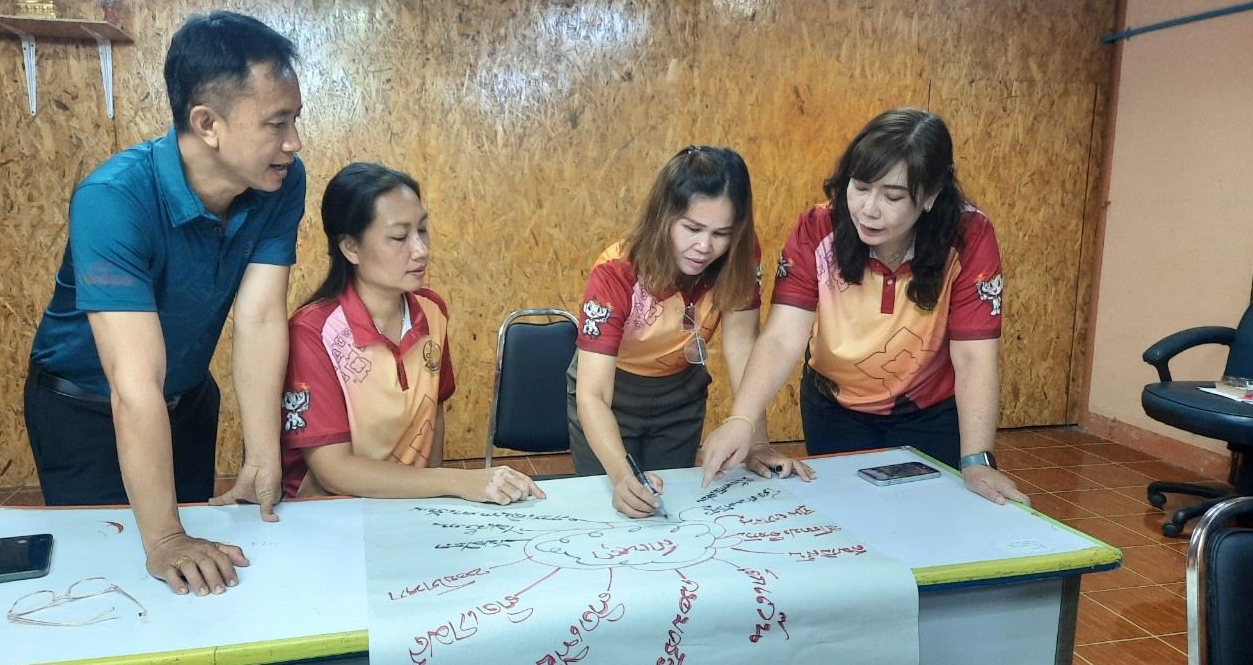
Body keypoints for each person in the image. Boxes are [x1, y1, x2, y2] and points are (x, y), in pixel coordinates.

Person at [24, 11, 305, 596]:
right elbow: (133, 383)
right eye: (277, 124)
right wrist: (164, 539)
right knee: (110, 575)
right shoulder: (114, 199)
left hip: (185, 400)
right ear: (207, 123)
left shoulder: (279, 181)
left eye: (295, 120)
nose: (293, 143)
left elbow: (257, 317)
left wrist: (261, 455)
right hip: (88, 410)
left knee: (200, 573)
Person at [700, 108, 1028, 506]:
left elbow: (974, 358)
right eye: (860, 187)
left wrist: (977, 460)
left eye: (892, 197)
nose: (869, 209)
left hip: (929, 409)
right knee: (849, 519)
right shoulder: (817, 228)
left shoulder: (970, 236)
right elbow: (782, 337)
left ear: (929, 196)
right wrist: (742, 420)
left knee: (929, 519)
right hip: (835, 405)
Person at [569, 145, 813, 519]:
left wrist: (756, 440)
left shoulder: (741, 255)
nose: (704, 247)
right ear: (663, 216)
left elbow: (743, 347)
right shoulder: (616, 271)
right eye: (693, 228)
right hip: (611, 395)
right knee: (616, 508)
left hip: (680, 394)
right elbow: (592, 393)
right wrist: (620, 473)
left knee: (673, 509)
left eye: (721, 233)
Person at [280, 162, 545, 505]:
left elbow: (432, 410)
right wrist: (454, 481)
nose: (421, 250)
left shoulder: (432, 310)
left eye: (423, 230)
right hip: (329, 514)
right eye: (399, 237)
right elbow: (334, 471)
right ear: (351, 248)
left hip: (405, 506)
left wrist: (434, 501)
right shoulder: (311, 332)